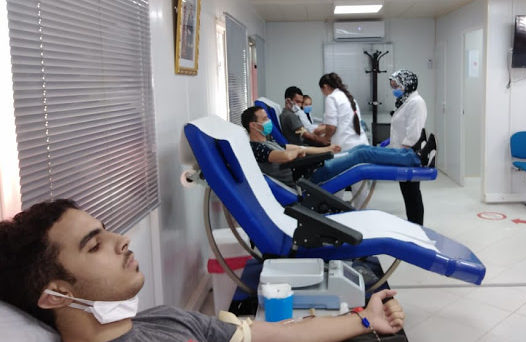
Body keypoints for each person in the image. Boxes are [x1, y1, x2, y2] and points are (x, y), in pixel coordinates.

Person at [0, 199, 405, 342]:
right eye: (94, 245)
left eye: (106, 230)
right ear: (57, 294)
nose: (121, 239)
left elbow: (273, 334)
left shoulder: (164, 319)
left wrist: (364, 319)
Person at [242, 106, 430, 187]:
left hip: (313, 166)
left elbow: (300, 149)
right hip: (308, 177)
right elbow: (285, 157)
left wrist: (327, 149)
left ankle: (411, 155)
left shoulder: (269, 141)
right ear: (253, 125)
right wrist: (297, 151)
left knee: (360, 150)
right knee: (362, 155)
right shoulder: (256, 148)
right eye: (264, 119)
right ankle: (415, 158)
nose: (268, 121)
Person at [389, 70, 430, 225]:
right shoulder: (405, 101)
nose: (394, 89)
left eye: (397, 86)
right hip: (402, 152)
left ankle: (418, 227)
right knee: (408, 193)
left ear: (407, 84)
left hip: (408, 154)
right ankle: (413, 224)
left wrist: (399, 154)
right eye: (393, 86)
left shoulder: (416, 102)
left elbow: (414, 133)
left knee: (412, 193)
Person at [315, 73, 369, 151]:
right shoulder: (348, 97)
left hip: (346, 146)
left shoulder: (331, 98)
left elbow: (332, 127)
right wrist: (324, 128)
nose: (323, 94)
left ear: (325, 87)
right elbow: (345, 121)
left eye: (322, 90)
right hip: (361, 142)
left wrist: (325, 138)